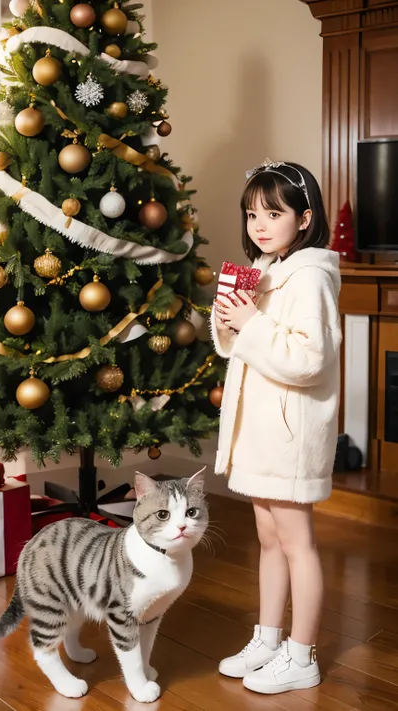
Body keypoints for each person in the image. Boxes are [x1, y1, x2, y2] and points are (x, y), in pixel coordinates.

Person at [211, 159, 342, 695]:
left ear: (305, 217)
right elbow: (245, 349)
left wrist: (252, 323)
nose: (258, 224)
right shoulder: (269, 269)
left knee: (296, 542)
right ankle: (268, 639)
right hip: (262, 434)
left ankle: (302, 654)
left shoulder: (309, 276)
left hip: (289, 435)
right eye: (250, 214)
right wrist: (228, 324)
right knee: (268, 537)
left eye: (273, 212)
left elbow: (309, 358)